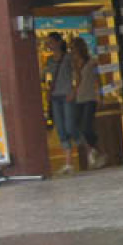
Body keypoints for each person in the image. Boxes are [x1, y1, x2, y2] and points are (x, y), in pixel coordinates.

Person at [70, 37, 107, 170]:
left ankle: (98, 151)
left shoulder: (91, 62)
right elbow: (77, 81)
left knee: (86, 127)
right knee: (78, 126)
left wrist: (100, 95)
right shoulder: (74, 64)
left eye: (74, 47)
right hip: (79, 98)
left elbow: (98, 80)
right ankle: (93, 151)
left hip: (90, 97)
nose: (72, 50)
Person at [44, 32, 77, 174]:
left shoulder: (68, 58)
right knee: (61, 130)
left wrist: (73, 90)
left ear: (58, 42)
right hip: (55, 96)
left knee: (70, 126)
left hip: (67, 95)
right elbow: (46, 77)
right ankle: (68, 162)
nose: (48, 45)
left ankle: (90, 148)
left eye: (50, 42)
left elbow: (77, 74)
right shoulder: (50, 61)